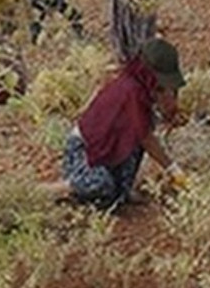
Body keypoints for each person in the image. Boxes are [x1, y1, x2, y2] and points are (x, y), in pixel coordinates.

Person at [42, 37, 188, 211]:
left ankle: (123, 191)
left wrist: (170, 111)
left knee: (115, 199)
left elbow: (146, 125)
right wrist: (173, 169)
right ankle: (56, 189)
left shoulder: (140, 87)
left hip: (109, 149)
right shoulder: (130, 91)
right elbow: (146, 138)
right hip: (85, 150)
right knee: (101, 185)